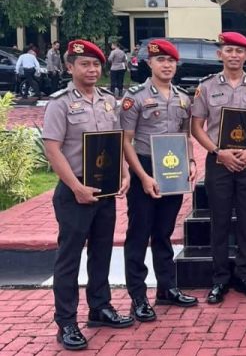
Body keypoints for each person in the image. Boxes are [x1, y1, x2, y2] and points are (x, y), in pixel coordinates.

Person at [42, 40, 133, 351]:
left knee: (101, 251)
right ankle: (66, 322)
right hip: (74, 190)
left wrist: (124, 172)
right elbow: (52, 149)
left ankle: (100, 307)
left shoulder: (108, 100)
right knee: (69, 258)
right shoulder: (60, 104)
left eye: (96, 64)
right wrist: (76, 187)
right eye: (85, 64)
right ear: (70, 67)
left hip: (105, 187)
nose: (92, 70)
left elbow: (115, 141)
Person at [191, 32, 246, 304]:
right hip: (219, 162)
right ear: (220, 54)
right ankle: (219, 279)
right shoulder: (206, 87)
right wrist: (218, 151)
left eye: (240, 51)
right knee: (220, 220)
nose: (234, 55)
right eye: (229, 50)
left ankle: (245, 275)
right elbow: (196, 126)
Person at [120, 39, 199, 323]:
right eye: (161, 60)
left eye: (171, 61)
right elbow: (125, 141)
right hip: (144, 165)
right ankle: (138, 297)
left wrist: (191, 161)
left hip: (173, 168)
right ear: (149, 63)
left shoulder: (183, 98)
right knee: (139, 233)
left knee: (164, 231)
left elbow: (186, 135)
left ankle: (166, 288)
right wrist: (142, 176)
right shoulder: (135, 97)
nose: (167, 65)